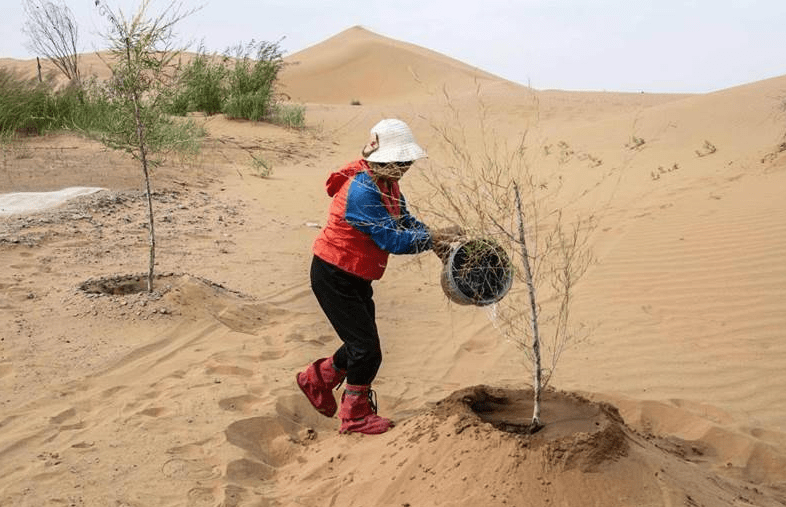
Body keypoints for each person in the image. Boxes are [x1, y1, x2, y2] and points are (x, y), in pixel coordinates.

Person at [297, 118, 458, 435]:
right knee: (367, 349)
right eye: (401, 161)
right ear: (382, 159)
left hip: (355, 276)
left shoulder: (387, 183)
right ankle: (354, 416)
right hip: (333, 274)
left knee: (361, 342)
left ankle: (317, 379)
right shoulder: (361, 191)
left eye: (408, 161)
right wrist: (433, 239)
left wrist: (434, 239)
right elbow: (392, 240)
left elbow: (404, 220)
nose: (406, 167)